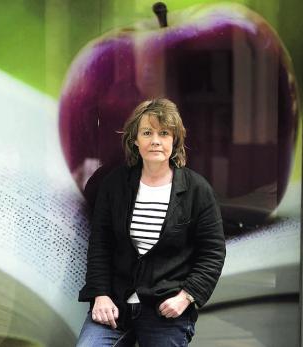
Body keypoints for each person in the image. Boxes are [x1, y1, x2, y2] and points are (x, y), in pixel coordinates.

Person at [76, 98, 226, 347]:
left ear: (174, 140)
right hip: (115, 306)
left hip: (165, 310)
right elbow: (100, 244)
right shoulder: (114, 185)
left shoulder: (197, 190)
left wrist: (186, 297)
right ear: (135, 139)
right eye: (147, 132)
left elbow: (213, 252)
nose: (156, 140)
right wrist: (100, 295)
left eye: (164, 133)